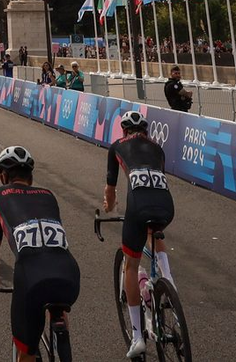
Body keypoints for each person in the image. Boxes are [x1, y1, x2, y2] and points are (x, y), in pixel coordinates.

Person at [0, 145, 80, 362]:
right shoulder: (48, 195)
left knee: (26, 351)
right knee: (57, 298)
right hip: (70, 275)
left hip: (31, 279)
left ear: (3, 176)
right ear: (31, 177)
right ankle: (61, 331)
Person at [104, 109, 176, 359]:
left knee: (131, 266)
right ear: (146, 131)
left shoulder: (117, 145)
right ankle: (168, 279)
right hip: (165, 204)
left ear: (124, 131)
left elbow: (111, 188)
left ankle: (136, 337)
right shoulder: (158, 149)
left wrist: (109, 206)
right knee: (154, 231)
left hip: (138, 206)